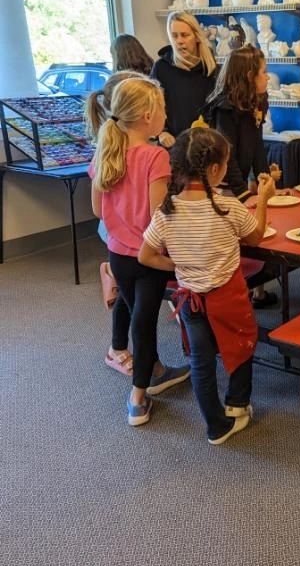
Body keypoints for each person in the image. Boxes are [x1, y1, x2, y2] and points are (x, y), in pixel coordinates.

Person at [139, 128, 275, 444]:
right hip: (227, 296)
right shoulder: (226, 206)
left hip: (190, 299)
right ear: (214, 169)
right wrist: (264, 199)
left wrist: (178, 266)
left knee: (201, 362)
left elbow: (145, 255)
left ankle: (215, 425)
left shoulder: (166, 211)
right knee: (241, 345)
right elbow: (256, 236)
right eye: (226, 164)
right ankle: (237, 405)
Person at [88, 77, 190, 426]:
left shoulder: (105, 152)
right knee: (144, 324)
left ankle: (155, 370)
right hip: (148, 257)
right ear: (148, 116)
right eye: (163, 109)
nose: (166, 116)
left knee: (139, 318)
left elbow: (98, 210)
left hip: (118, 255)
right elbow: (156, 216)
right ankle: (137, 396)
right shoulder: (155, 156)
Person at [207, 44, 281, 308]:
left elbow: (257, 143)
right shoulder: (224, 108)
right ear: (249, 76)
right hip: (225, 182)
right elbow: (227, 155)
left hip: (241, 176)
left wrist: (264, 179)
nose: (267, 77)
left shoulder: (258, 99)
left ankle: (258, 291)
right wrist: (243, 193)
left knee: (257, 227)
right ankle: (232, 294)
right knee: (237, 238)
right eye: (264, 72)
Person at [86, 70, 146, 377]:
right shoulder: (110, 150)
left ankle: (112, 271)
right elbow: (99, 209)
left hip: (126, 236)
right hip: (121, 235)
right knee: (130, 294)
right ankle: (118, 349)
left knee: (130, 290)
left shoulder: (136, 147)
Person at [151, 11, 217, 147]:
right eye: (174, 36)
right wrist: (161, 133)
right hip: (173, 146)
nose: (179, 41)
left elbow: (218, 111)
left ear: (197, 37)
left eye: (185, 35)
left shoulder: (211, 68)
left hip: (205, 145)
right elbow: (151, 106)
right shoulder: (161, 68)